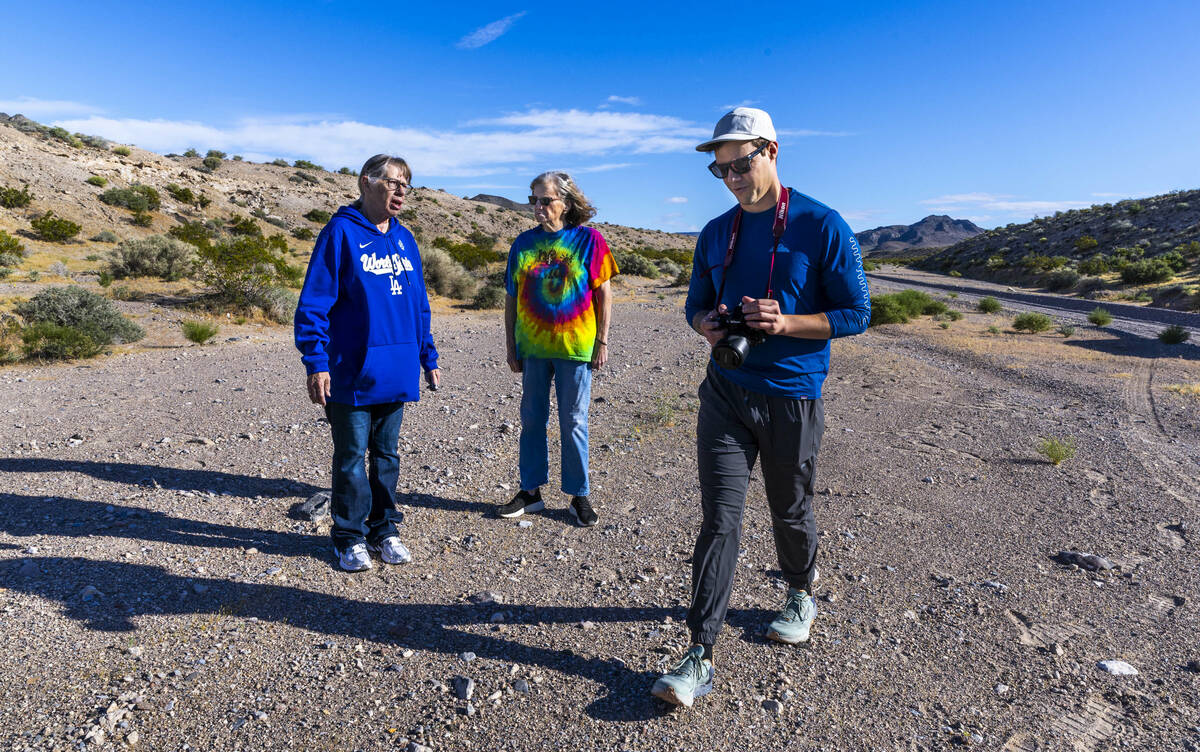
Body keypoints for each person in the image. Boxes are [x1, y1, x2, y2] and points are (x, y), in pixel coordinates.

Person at [651, 108, 871, 707]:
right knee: (719, 519)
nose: (731, 179)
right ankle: (699, 655)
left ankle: (800, 589)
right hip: (725, 392)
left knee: (790, 511)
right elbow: (694, 303)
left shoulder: (822, 224)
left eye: (740, 164)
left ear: (771, 150)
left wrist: (788, 321)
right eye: (719, 170)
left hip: (792, 396)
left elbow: (857, 313)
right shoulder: (714, 232)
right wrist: (707, 324)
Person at [294, 154, 440, 572]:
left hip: (397, 370)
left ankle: (385, 529)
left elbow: (419, 306)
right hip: (352, 371)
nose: (400, 192)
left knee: (387, 456)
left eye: (406, 185)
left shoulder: (406, 238)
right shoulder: (340, 233)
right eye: (393, 182)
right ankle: (348, 537)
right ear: (366, 182)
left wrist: (427, 354)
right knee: (351, 456)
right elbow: (314, 304)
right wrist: (316, 361)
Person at [496, 171, 617, 527]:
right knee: (532, 420)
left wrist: (602, 340)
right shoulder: (522, 244)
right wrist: (510, 345)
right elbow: (511, 299)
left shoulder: (589, 241)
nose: (538, 207)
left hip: (575, 346)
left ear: (566, 203)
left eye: (545, 200)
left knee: (574, 421)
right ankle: (530, 492)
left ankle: (579, 494)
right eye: (534, 200)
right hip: (533, 347)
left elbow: (604, 293)